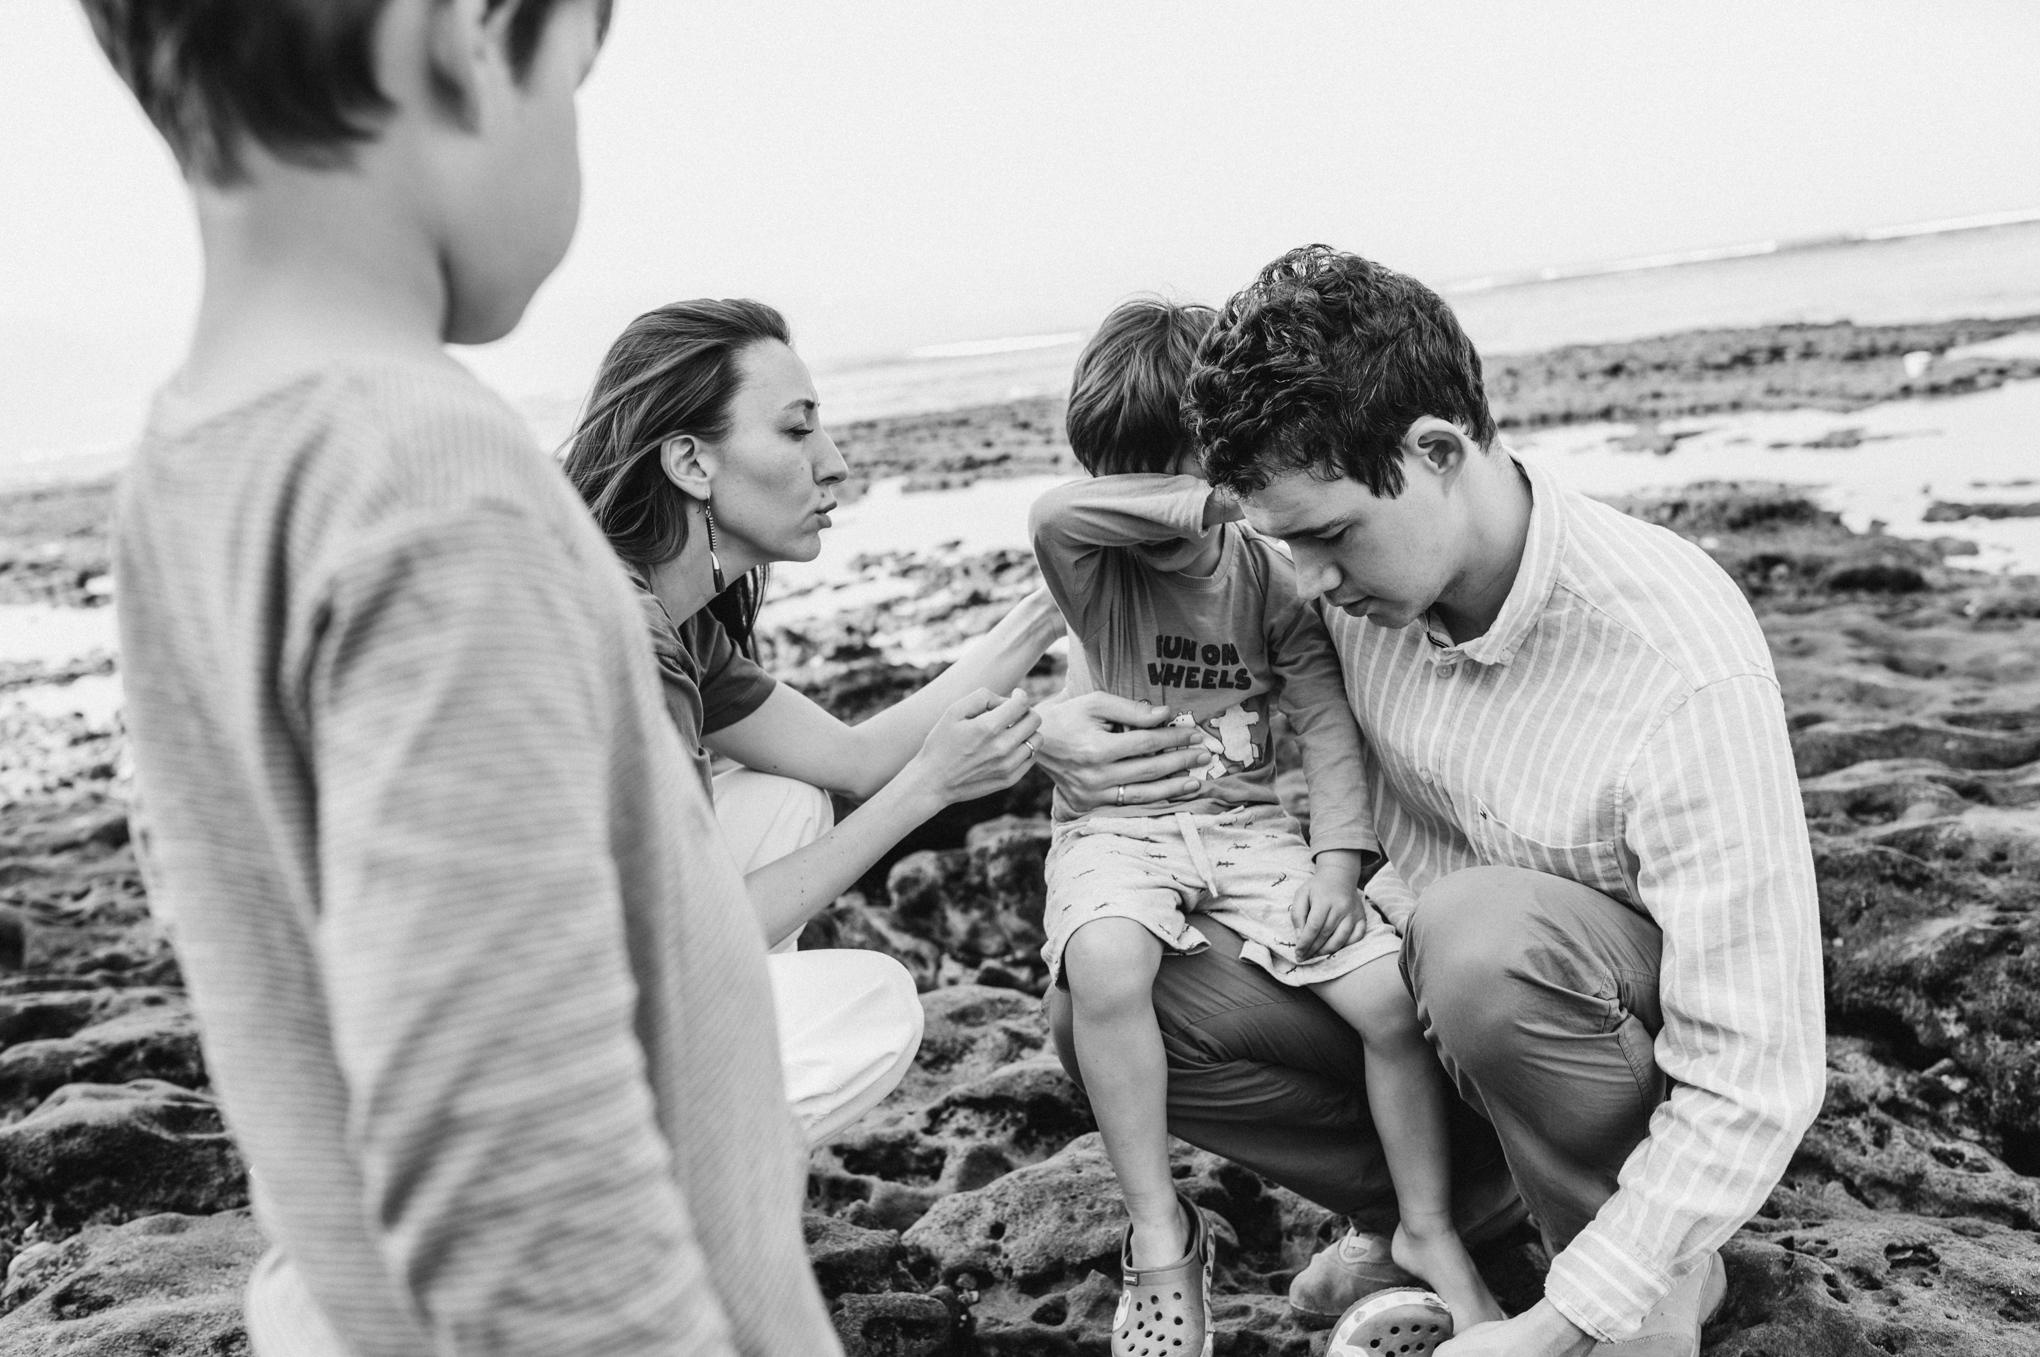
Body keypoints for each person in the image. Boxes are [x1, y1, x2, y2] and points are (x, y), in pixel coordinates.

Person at [89, 2, 842, 1353]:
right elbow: (524, 1200)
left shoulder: (190, 461)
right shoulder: (433, 491)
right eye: (574, 78)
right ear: (471, 36)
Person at [1044, 246, 1826, 1357]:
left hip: (1602, 1043)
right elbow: (1164, 630)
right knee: (1101, 999)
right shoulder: (1355, 581)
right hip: (1427, 1013)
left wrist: (1556, 1326)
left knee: (1480, 941)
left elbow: (1757, 1069)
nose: (1305, 582)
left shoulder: (1677, 660)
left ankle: (1642, 1275)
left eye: (1324, 537)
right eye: (1280, 543)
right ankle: (1453, 1216)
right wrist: (1065, 719)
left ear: (1436, 451)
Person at [1029, 299, 1505, 1354]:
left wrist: (1339, 863)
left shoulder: (1277, 576)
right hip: (1126, 832)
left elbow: (1327, 725)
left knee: (1386, 1000)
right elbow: (1062, 515)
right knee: (1103, 966)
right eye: (1130, 480)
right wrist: (1201, 502)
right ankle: (1160, 1234)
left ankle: (1424, 1229)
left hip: (1248, 834)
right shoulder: (1098, 568)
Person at [561, 298, 1059, 1144]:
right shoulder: (624, 635)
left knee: (784, 804)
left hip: (567, 969)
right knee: (867, 1005)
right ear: (689, 461)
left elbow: (854, 757)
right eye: (797, 432)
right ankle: (645, 1207)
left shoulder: (672, 619)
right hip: (511, 1036)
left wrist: (1051, 607)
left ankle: (713, 1156)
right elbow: (695, 935)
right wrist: (932, 787)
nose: (833, 463)